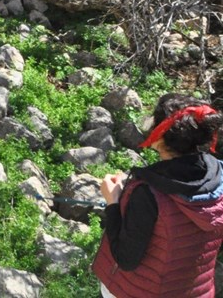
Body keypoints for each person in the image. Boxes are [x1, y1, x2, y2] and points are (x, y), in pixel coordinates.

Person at [92, 93, 223, 298]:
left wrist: (113, 203)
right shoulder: (220, 176)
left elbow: (125, 259)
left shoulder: (149, 194)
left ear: (160, 135)